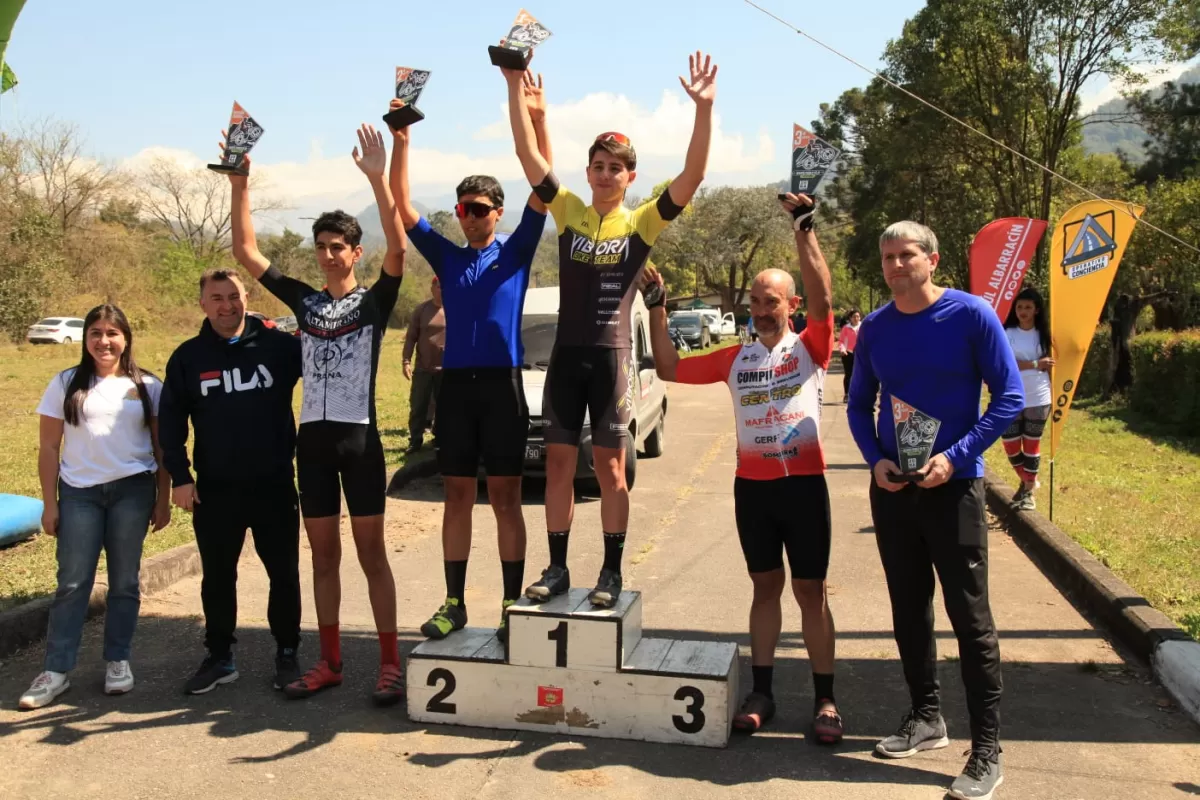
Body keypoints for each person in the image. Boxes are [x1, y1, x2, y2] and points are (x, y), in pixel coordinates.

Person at [501, 52, 716, 608]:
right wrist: (511, 84)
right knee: (557, 466)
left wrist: (703, 111)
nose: (604, 175)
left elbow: (692, 177)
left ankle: (612, 571)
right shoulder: (568, 209)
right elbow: (527, 154)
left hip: (613, 359)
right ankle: (555, 569)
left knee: (612, 469)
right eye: (597, 165)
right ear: (588, 170)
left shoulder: (641, 220)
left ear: (629, 176)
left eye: (615, 168)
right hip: (567, 360)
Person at [644, 194, 842, 743]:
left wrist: (805, 230)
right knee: (763, 589)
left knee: (811, 593)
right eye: (754, 299)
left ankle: (826, 699)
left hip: (803, 487)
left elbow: (825, 298)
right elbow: (667, 367)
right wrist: (658, 306)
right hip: (752, 490)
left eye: (770, 299)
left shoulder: (812, 349)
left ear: (791, 303)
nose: (759, 307)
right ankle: (764, 693)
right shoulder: (735, 358)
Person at [226, 124, 408, 706]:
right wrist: (240, 183)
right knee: (323, 558)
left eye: (339, 248)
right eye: (321, 247)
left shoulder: (375, 302)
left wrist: (378, 178)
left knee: (371, 556)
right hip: (314, 444)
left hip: (360, 442)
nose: (328, 256)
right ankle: (328, 662)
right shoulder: (304, 301)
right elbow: (246, 254)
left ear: (356, 253)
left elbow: (400, 250)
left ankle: (388, 663)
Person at [846, 220, 1023, 800]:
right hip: (895, 490)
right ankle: (927, 719)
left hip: (955, 487)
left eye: (907, 255)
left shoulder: (972, 315)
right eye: (889, 257)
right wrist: (875, 460)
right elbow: (857, 404)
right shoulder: (873, 327)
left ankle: (988, 750)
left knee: (971, 621)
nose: (897, 266)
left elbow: (1010, 398)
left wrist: (957, 455)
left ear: (933, 259)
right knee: (908, 608)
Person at [386, 75, 552, 641]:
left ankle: (510, 603)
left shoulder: (519, 249)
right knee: (457, 494)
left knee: (505, 495)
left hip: (502, 385)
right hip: (455, 386)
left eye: (479, 208)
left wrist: (536, 117)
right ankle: (454, 601)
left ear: (499, 212)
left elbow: (544, 184)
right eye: (462, 209)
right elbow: (403, 206)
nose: (470, 217)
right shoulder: (448, 256)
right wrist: (402, 136)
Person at [159, 268, 304, 695]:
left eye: (234, 296)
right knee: (218, 576)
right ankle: (220, 656)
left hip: (275, 484)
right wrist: (180, 479)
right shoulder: (188, 356)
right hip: (216, 489)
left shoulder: (280, 347)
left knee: (284, 572)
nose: (227, 306)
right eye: (217, 298)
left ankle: (288, 652)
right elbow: (170, 422)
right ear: (203, 304)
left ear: (248, 297)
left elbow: (326, 386)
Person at [19, 305, 171, 710]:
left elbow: (162, 448)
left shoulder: (147, 385)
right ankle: (56, 670)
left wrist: (163, 497)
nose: (104, 341)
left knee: (124, 582)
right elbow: (49, 447)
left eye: (112, 333)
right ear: (86, 339)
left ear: (126, 338)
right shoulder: (65, 383)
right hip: (79, 493)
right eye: (96, 333)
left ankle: (117, 661)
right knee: (72, 583)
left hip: (132, 493)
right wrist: (50, 504)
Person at [1002, 287, 1053, 511]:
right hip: (1011, 395)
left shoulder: (1046, 335)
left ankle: (1028, 491)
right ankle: (1028, 482)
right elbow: (1005, 364)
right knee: (1011, 444)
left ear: (1037, 310)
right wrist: (1035, 364)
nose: (1023, 311)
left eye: (1028, 307)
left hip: (1039, 396)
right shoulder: (1007, 333)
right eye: (1020, 307)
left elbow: (1052, 364)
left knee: (1031, 444)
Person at [402, 276, 446, 454]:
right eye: (438, 286)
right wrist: (406, 361)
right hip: (422, 368)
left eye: (444, 287)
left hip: (446, 369)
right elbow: (411, 337)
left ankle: (440, 438)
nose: (441, 290)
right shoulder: (422, 310)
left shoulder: (454, 310)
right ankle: (415, 440)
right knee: (418, 405)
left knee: (445, 406)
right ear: (432, 288)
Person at [837, 309, 861, 399]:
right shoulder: (846, 328)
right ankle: (847, 394)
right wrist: (842, 349)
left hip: (860, 354)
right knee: (849, 374)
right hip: (848, 353)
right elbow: (841, 341)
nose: (856, 318)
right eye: (854, 317)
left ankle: (859, 394)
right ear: (850, 318)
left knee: (860, 374)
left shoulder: (863, 327)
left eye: (858, 316)